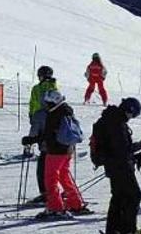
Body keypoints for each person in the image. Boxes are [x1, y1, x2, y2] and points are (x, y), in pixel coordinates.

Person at [92, 98, 141, 234]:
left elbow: (118, 148)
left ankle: (113, 230)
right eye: (134, 115)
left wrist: (135, 155)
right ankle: (128, 231)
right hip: (120, 167)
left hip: (113, 165)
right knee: (133, 195)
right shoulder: (117, 124)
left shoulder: (110, 119)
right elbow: (122, 150)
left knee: (119, 197)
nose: (132, 118)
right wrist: (140, 145)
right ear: (129, 110)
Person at [24, 89, 91, 219]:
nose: (46, 105)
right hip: (67, 149)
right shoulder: (66, 111)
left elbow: (49, 135)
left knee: (51, 178)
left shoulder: (55, 114)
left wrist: (32, 139)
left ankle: (56, 208)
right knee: (64, 176)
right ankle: (75, 203)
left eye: (48, 102)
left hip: (55, 150)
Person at [25, 65, 59, 209]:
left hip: (40, 124)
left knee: (43, 165)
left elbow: (34, 106)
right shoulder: (55, 88)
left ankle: (47, 193)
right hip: (55, 132)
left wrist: (32, 119)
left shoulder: (37, 89)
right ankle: (54, 191)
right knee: (56, 166)